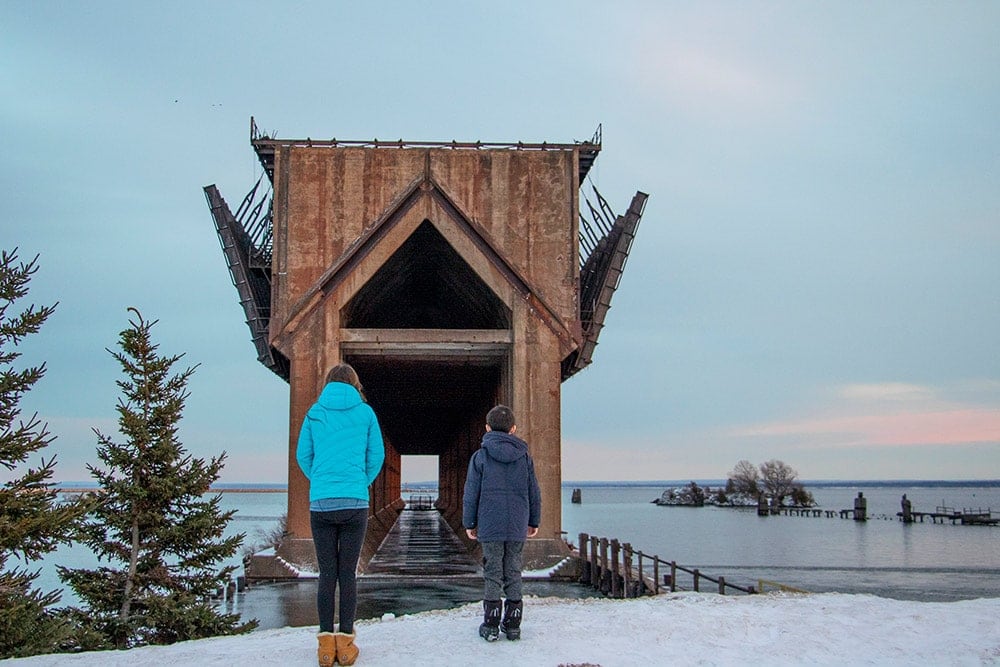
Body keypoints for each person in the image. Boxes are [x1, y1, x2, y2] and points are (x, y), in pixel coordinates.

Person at [297, 363, 385, 667]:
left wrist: (321, 480)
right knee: (347, 574)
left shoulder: (314, 412)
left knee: (327, 574)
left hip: (321, 503)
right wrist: (360, 482)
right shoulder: (366, 413)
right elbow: (377, 456)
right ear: (354, 384)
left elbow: (303, 456)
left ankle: (325, 647)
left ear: (328, 384)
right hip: (355, 503)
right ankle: (346, 646)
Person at [462, 404, 541, 642]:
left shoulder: (480, 457)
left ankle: (491, 624)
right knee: (514, 570)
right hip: (517, 524)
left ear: (487, 428)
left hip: (490, 524)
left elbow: (471, 492)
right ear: (513, 429)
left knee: (493, 572)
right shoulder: (524, 458)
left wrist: (469, 522)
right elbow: (533, 492)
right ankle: (514, 625)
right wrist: (533, 520)